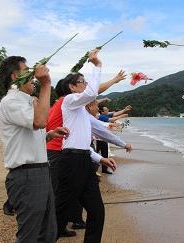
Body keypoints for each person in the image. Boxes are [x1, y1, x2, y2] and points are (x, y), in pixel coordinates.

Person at [55, 49, 132, 242]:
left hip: (83, 160)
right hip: (70, 161)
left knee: (97, 211)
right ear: (72, 87)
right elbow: (92, 92)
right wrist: (97, 65)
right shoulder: (69, 101)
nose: (86, 85)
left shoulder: (81, 112)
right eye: (82, 81)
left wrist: (101, 158)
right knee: (60, 211)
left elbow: (97, 134)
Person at [0, 56, 69, 242]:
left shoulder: (27, 101)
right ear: (15, 76)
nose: (33, 76)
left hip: (40, 172)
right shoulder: (11, 101)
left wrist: (49, 135)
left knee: (47, 233)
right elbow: (39, 121)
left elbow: (30, 134)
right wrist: (46, 85)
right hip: (26, 176)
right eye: (27, 70)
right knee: (29, 236)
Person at [97, 105, 132, 174]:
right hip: (99, 139)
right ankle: (94, 169)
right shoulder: (101, 117)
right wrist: (123, 116)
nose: (108, 111)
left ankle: (104, 169)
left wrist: (124, 110)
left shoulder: (105, 115)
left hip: (103, 138)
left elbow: (115, 114)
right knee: (97, 153)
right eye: (106, 110)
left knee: (104, 154)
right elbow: (113, 119)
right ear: (102, 112)